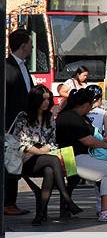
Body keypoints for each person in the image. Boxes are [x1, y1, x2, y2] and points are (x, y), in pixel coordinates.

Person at [8, 85, 83, 225]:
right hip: (25, 160)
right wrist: (40, 151)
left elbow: (53, 142)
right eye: (43, 100)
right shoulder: (23, 117)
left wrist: (45, 150)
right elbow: (19, 142)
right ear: (35, 100)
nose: (47, 102)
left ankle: (40, 214)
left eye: (49, 99)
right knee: (53, 160)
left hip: (45, 160)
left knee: (50, 170)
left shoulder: (49, 118)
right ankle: (67, 198)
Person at [55, 89, 107, 222]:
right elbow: (87, 140)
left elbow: (90, 136)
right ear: (85, 105)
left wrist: (104, 141)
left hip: (83, 156)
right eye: (89, 106)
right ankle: (105, 211)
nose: (90, 110)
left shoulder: (79, 117)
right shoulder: (70, 117)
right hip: (71, 158)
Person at [5, 28, 35, 216]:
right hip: (11, 124)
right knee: (11, 160)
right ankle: (8, 202)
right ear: (24, 46)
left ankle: (11, 201)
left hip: (23, 123)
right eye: (30, 44)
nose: (32, 47)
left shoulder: (23, 66)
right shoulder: (7, 68)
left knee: (15, 160)